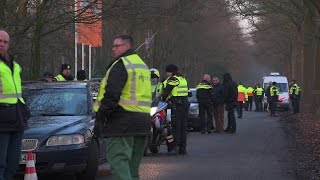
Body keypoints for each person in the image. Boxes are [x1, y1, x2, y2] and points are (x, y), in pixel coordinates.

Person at [93, 35, 152, 180]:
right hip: (142, 123)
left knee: (119, 165)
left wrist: (100, 119)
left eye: (116, 46)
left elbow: (111, 95)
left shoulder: (121, 64)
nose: (113, 49)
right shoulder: (142, 66)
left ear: (127, 46)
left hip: (122, 123)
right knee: (132, 170)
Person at [0, 30, 30, 180]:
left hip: (17, 120)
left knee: (12, 165)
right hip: (2, 121)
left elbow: (17, 92)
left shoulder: (14, 65)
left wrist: (25, 111)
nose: (2, 44)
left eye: (5, 42)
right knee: (1, 165)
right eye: (0, 41)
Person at [162, 64, 190, 155]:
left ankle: (176, 147)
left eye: (167, 72)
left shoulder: (173, 79)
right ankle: (183, 148)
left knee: (176, 126)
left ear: (171, 72)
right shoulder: (183, 79)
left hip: (177, 105)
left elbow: (166, 92)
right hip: (184, 104)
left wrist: (162, 99)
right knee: (183, 127)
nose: (167, 74)